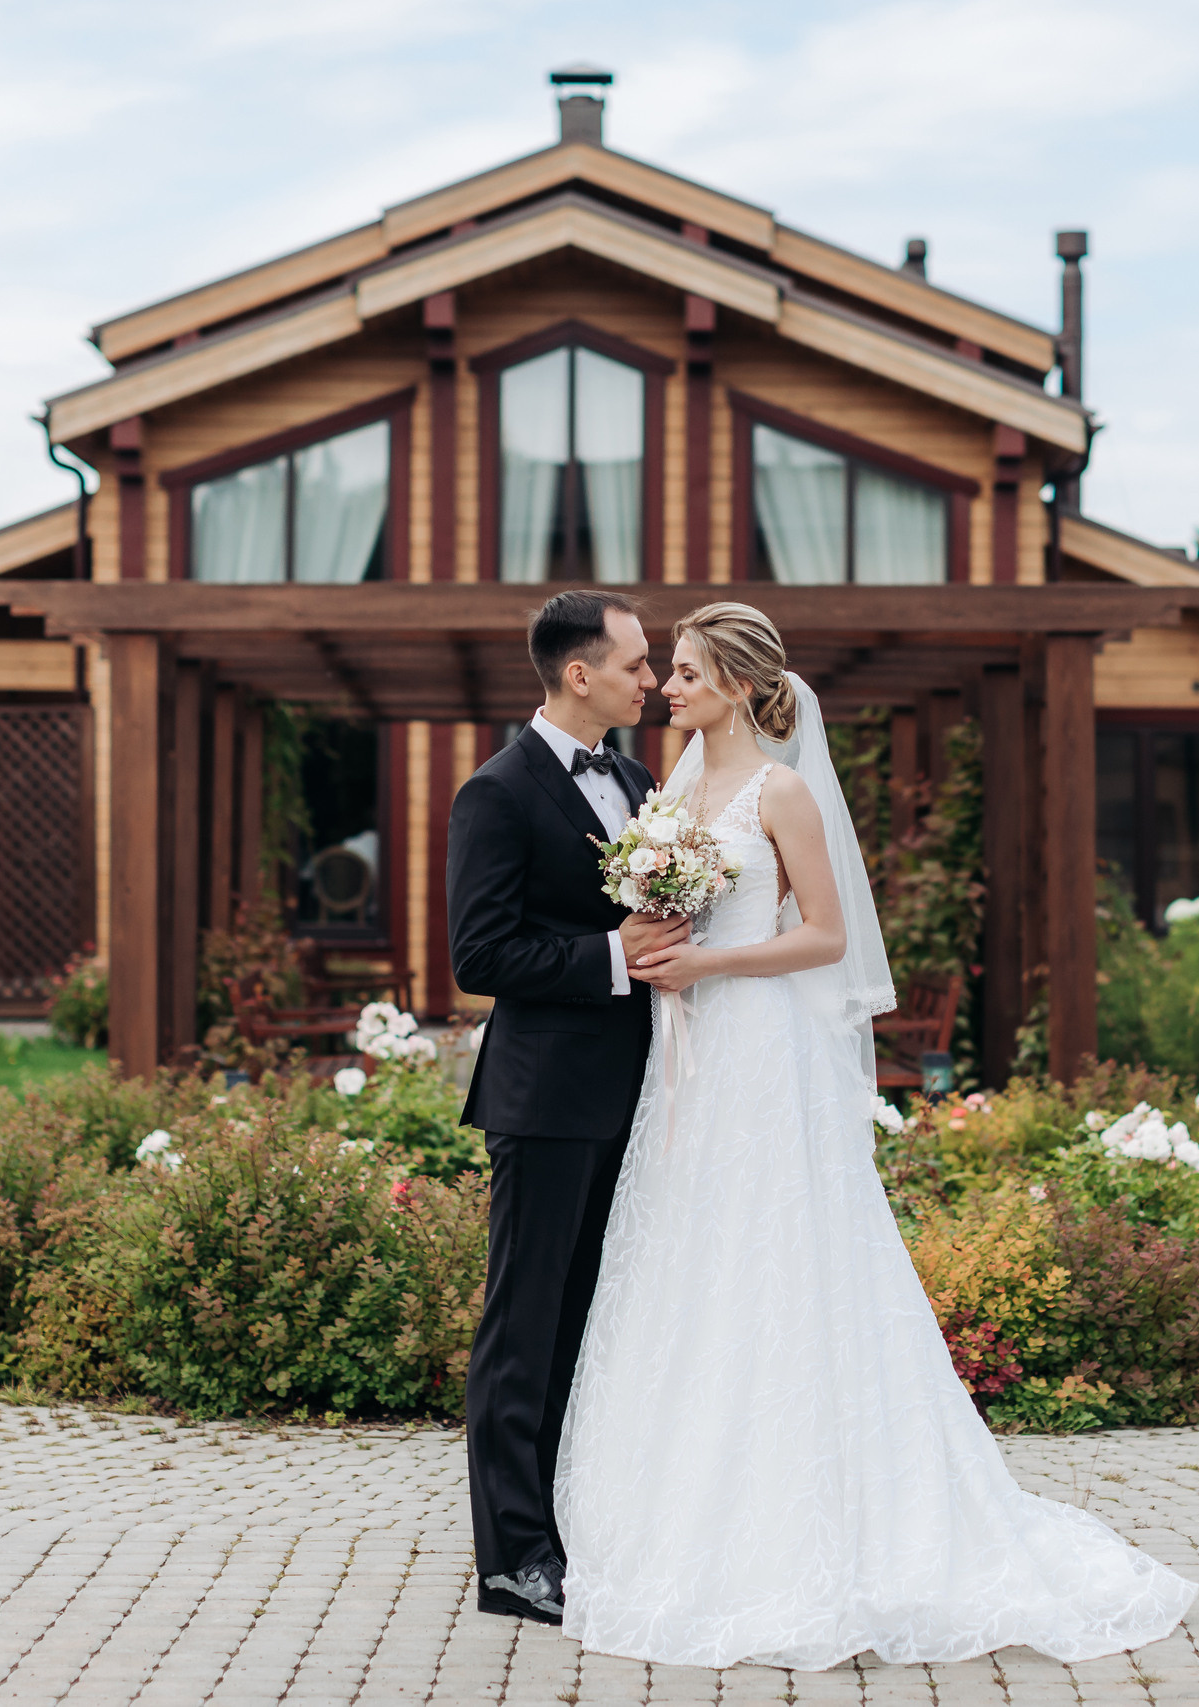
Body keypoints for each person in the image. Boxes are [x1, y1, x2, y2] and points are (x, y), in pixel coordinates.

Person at [551, 601, 1199, 1670]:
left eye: (687, 672)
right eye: (666, 671)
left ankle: (821, 1531)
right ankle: (677, 1510)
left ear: (745, 689)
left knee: (781, 1255)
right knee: (694, 1256)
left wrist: (706, 963)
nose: (667, 688)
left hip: (760, 1048)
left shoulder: (783, 790)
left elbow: (825, 936)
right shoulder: (669, 789)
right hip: (689, 1058)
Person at [444, 588, 682, 1626]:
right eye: (635, 663)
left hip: (641, 1094)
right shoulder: (494, 794)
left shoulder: (637, 781)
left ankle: (575, 1524)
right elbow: (479, 954)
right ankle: (511, 1559)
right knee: (524, 1328)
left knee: (595, 1323)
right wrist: (609, 957)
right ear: (578, 674)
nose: (651, 679)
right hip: (545, 1101)